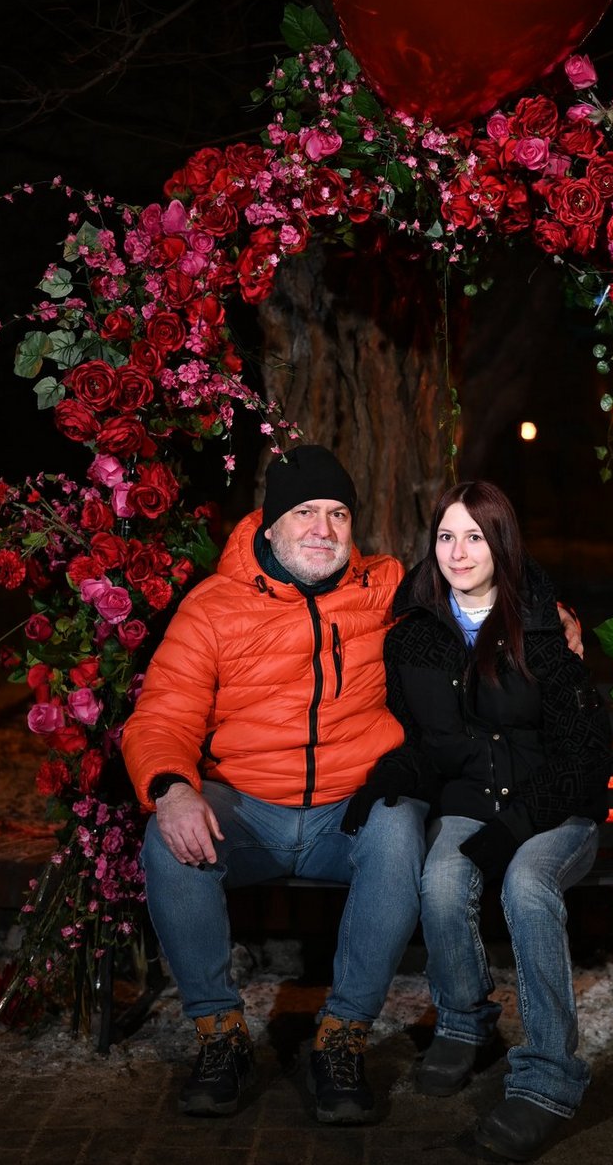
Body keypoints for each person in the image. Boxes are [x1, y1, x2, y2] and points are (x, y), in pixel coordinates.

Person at [120, 443, 430, 1125]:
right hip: (247, 809)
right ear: (270, 525)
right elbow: (163, 713)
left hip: (346, 811)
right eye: (305, 512)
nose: (323, 527)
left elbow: (474, 606)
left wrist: (552, 620)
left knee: (401, 827)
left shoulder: (384, 588)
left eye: (338, 513)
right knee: (167, 836)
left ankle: (342, 1036)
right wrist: (172, 786)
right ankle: (220, 1035)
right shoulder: (212, 606)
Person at [346, 479, 613, 1162]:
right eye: (445, 536)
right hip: (475, 803)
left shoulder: (545, 624)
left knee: (525, 882)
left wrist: (517, 825)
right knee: (441, 878)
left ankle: (549, 1077)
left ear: (501, 541)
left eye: (474, 535)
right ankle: (465, 1022)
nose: (458, 551)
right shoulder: (417, 638)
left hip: (556, 808)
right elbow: (428, 747)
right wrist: (387, 781)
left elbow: (584, 756)